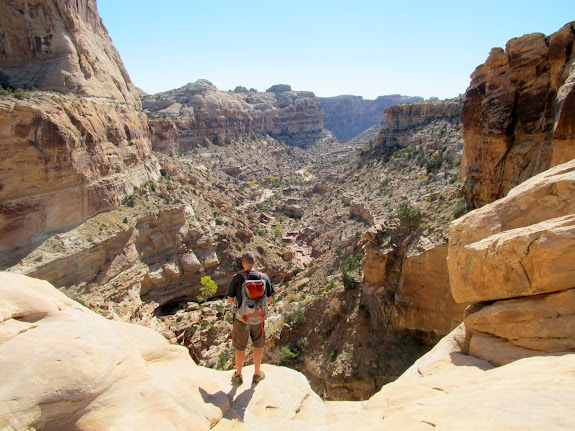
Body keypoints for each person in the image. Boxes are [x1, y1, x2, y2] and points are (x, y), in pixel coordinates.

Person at [227, 251, 274, 384]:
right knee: (258, 345)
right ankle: (257, 374)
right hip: (258, 319)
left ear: (243, 263)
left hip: (242, 319)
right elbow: (269, 300)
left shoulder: (237, 278)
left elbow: (230, 300)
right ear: (255, 262)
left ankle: (238, 375)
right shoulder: (263, 277)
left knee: (240, 347)